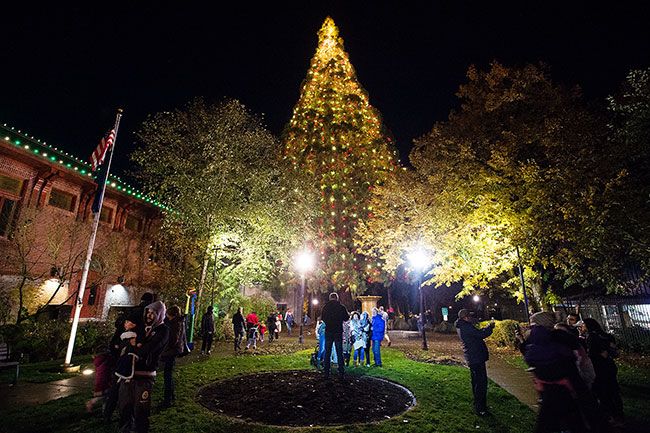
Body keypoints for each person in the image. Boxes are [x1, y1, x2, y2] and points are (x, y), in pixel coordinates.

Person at [520, 312, 593, 433]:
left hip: (555, 387)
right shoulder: (561, 338)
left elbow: (529, 356)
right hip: (566, 386)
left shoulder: (542, 340)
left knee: (551, 423)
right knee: (575, 421)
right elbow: (578, 358)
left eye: (533, 324)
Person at [118, 300, 169, 433]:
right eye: (148, 312)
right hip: (128, 374)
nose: (149, 315)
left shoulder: (162, 330)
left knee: (141, 411)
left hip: (145, 376)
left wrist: (135, 347)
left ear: (159, 314)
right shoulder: (141, 327)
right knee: (124, 408)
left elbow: (150, 348)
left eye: (153, 313)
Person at [583, 317, 624, 424]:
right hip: (610, 366)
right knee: (614, 389)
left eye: (583, 324)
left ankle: (610, 415)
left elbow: (593, 354)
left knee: (603, 392)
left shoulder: (591, 337)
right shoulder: (606, 336)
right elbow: (614, 351)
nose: (581, 326)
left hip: (599, 367)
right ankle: (619, 414)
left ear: (588, 326)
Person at [455, 308, 494, 416]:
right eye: (469, 316)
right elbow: (480, 334)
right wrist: (489, 327)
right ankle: (481, 408)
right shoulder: (465, 327)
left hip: (473, 357)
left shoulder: (462, 326)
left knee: (476, 382)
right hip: (476, 357)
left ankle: (478, 404)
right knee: (480, 383)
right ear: (465, 317)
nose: (471, 318)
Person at [160, 305, 186, 409]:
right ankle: (170, 396)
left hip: (171, 352)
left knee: (168, 375)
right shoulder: (179, 322)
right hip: (173, 351)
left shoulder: (175, 324)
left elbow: (173, 339)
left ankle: (168, 400)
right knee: (168, 374)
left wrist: (165, 347)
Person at [320, 292, 350, 379]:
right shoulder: (341, 307)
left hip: (329, 331)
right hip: (338, 331)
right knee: (339, 352)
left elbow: (323, 318)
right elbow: (346, 318)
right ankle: (341, 371)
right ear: (337, 298)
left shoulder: (325, 307)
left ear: (330, 298)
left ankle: (326, 371)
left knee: (327, 352)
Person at [86, 345, 113, 413]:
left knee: (106, 397)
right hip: (105, 382)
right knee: (108, 395)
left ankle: (104, 412)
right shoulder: (108, 359)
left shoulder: (98, 361)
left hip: (100, 381)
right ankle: (92, 402)